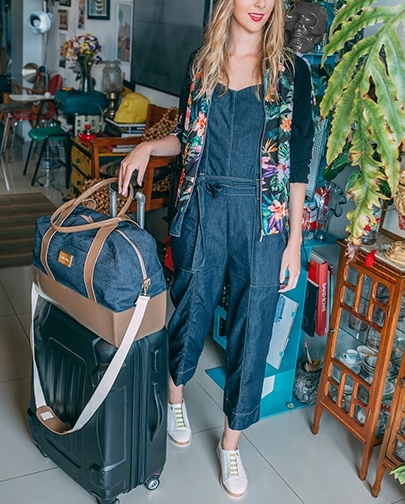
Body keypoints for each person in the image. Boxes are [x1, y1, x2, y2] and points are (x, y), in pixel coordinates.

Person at [119, 0, 315, 498]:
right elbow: (188, 139)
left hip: (264, 215)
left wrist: (294, 240)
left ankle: (231, 444)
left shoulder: (292, 73)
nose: (260, 4)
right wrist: (146, 146)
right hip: (202, 205)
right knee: (191, 306)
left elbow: (297, 164)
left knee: (255, 325)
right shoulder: (202, 61)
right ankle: (175, 396)